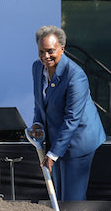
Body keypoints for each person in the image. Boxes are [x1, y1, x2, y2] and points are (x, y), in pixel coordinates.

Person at [30, 25, 107, 201]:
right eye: (41, 51)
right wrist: (37, 124)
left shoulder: (75, 76)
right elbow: (40, 103)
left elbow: (72, 119)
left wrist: (52, 154)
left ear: (62, 49)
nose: (45, 56)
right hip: (57, 137)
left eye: (50, 51)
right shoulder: (37, 67)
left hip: (79, 140)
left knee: (72, 199)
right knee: (58, 196)